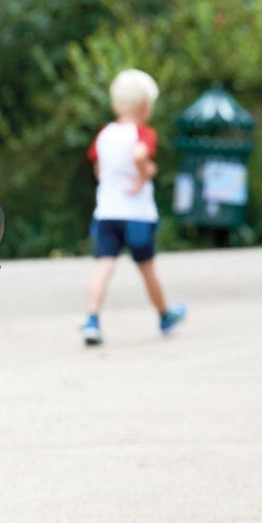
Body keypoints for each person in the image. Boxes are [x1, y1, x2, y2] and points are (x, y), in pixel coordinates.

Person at [81, 68, 185, 345]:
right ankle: (164, 315)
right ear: (146, 106)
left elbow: (99, 171)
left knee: (103, 265)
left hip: (107, 212)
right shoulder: (143, 133)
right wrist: (143, 174)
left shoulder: (104, 134)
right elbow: (139, 155)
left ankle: (92, 319)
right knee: (147, 267)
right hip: (137, 214)